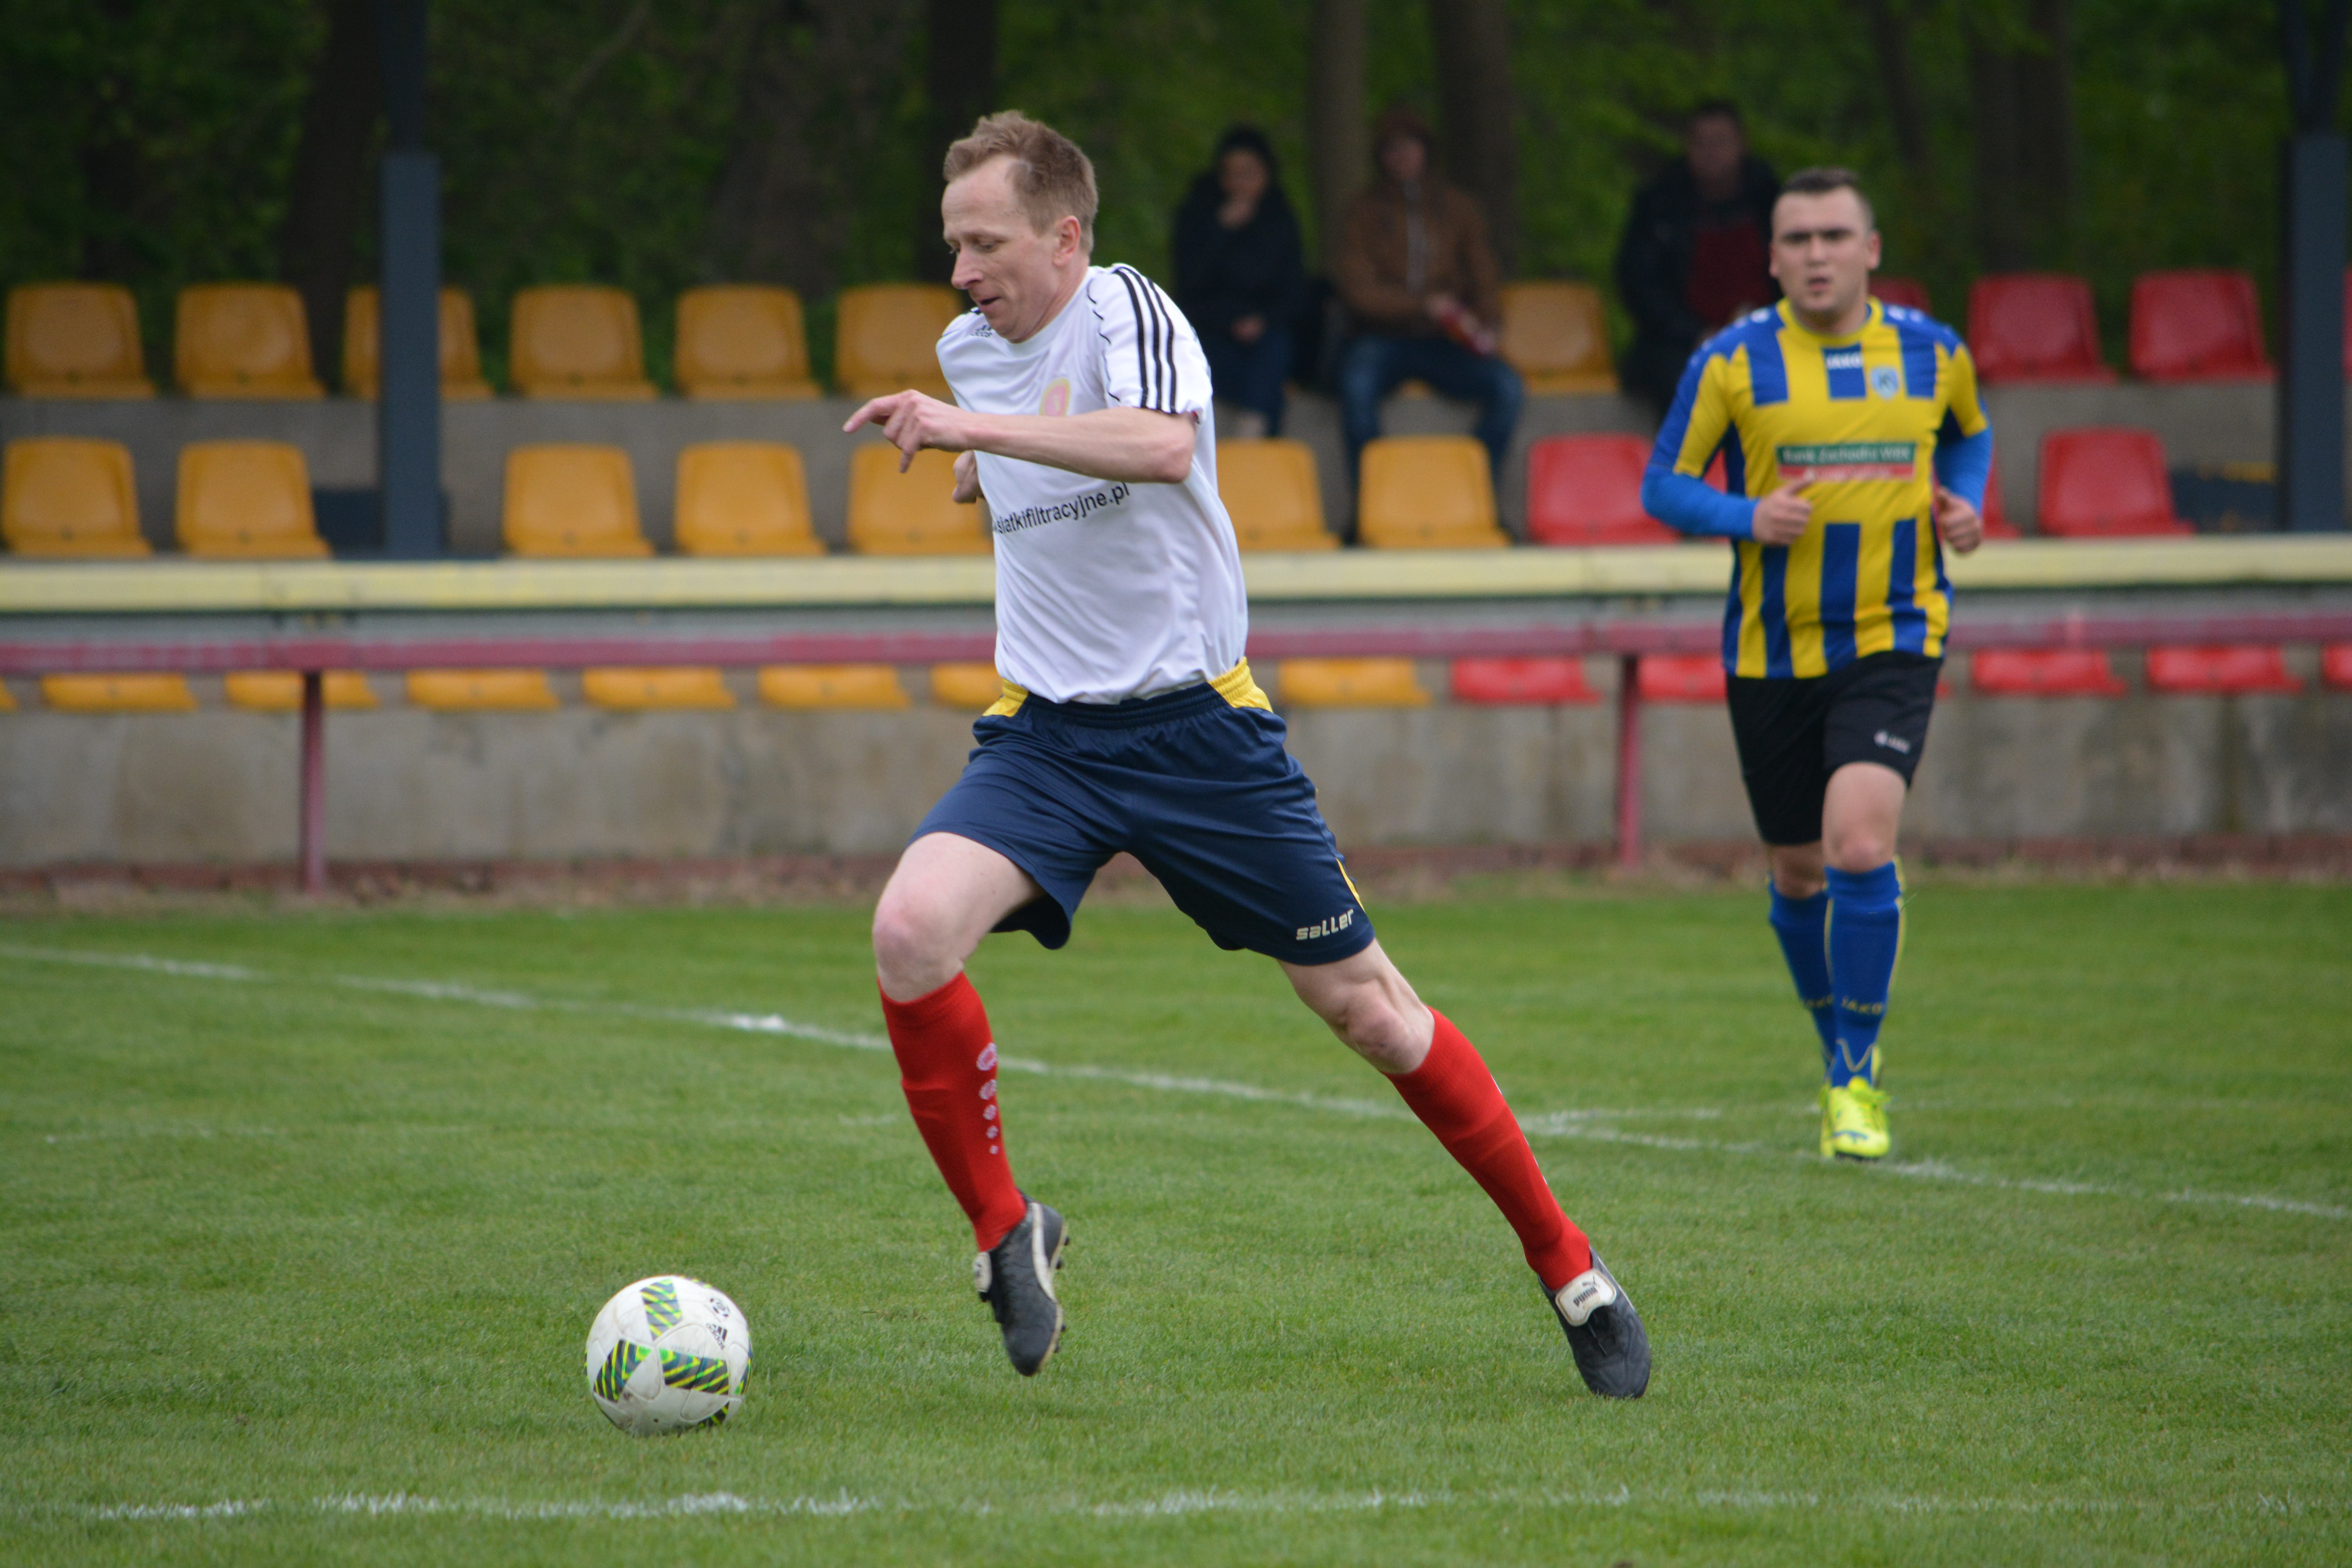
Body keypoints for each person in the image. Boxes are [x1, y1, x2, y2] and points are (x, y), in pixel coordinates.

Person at [842, 111, 1648, 1397]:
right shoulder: (966, 354)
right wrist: (975, 465)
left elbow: (1162, 446)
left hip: (1200, 735)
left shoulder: (1129, 310)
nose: (961, 271)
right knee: (908, 932)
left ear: (1064, 238)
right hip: (1049, 739)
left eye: (984, 243)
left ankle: (1570, 1267)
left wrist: (976, 437)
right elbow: (1022, 463)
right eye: (953, 244)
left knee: (1371, 1013)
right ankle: (1006, 1232)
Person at [1639, 167, 1991, 1162]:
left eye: (1836, 235)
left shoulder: (1933, 351)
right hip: (1771, 650)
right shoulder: (1730, 360)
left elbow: (1969, 440)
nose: (1817, 254)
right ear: (1772, 257)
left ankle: (1856, 1074)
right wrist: (1744, 513)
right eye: (1797, 239)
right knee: (1797, 872)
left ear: (1871, 250)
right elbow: (1663, 484)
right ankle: (1838, 1047)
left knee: (1859, 847)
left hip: (1895, 633)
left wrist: (1965, 506)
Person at [1332, 103, 1522, 510]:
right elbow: (1359, 291)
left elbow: (1484, 274)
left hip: (1448, 340)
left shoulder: (1459, 208)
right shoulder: (1362, 212)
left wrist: (1489, 323)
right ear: (1380, 157)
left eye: (1410, 147)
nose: (1401, 157)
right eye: (1391, 149)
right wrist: (1423, 305)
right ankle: (1373, 505)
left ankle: (1474, 497)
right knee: (1355, 386)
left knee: (1508, 387)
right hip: (1381, 338)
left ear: (1426, 151)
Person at [1615, 101, 1782, 419]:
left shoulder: (1773, 202)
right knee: (1684, 384)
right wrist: (1696, 334)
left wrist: (1764, 323)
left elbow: (1795, 278)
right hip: (1679, 342)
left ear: (1742, 145)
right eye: (1701, 143)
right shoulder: (1659, 204)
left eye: (1720, 142)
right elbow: (1639, 284)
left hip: (1768, 331)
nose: (1710, 152)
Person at [1172, 124, 1306, 440]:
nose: (1240, 184)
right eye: (1232, 174)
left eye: (1249, 173)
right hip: (1213, 332)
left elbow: (1295, 291)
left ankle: (1252, 432)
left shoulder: (1280, 219)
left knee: (1275, 352)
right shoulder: (1198, 215)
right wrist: (1220, 232)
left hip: (1265, 334)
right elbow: (1188, 285)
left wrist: (1262, 320)